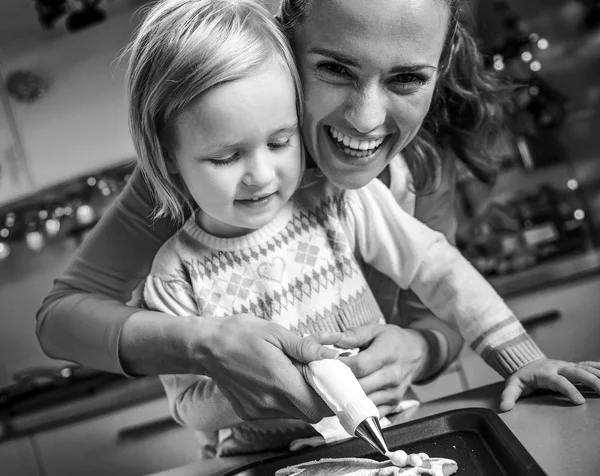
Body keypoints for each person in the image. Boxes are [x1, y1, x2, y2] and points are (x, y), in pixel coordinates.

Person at [118, 0, 598, 457]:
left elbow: (441, 270)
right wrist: (251, 384)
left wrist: (523, 359)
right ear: (167, 160)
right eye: (225, 156)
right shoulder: (172, 276)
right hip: (270, 459)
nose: (261, 176)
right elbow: (186, 405)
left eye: (281, 140)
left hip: (394, 432)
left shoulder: (339, 200)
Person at [32, 0, 529, 424]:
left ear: (437, 72)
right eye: (335, 68)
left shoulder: (419, 169)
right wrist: (205, 344)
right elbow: (60, 319)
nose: (367, 118)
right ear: (288, 48)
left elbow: (444, 309)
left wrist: (418, 352)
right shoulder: (192, 177)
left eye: (406, 79)